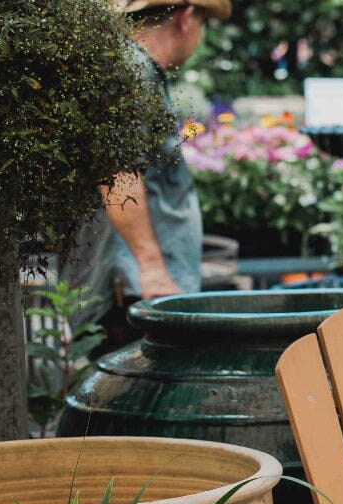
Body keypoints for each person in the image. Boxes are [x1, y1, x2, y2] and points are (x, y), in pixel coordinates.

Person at [65, 1, 230, 338]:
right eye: (203, 22)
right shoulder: (132, 70)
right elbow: (117, 172)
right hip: (135, 292)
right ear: (186, 17)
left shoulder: (134, 69)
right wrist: (151, 266)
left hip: (139, 287)